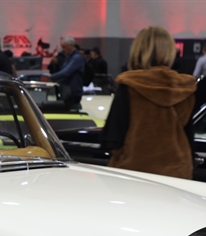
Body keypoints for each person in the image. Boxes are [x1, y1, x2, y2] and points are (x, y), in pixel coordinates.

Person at [100, 26, 197, 179]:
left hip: (134, 174)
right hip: (177, 173)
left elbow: (113, 138)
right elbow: (189, 138)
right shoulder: (185, 89)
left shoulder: (129, 86)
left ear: (138, 50)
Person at [49, 36, 86, 110]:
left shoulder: (77, 58)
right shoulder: (68, 57)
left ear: (71, 46)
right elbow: (63, 70)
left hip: (73, 92)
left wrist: (52, 77)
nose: (63, 49)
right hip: (67, 90)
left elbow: (66, 72)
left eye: (64, 47)